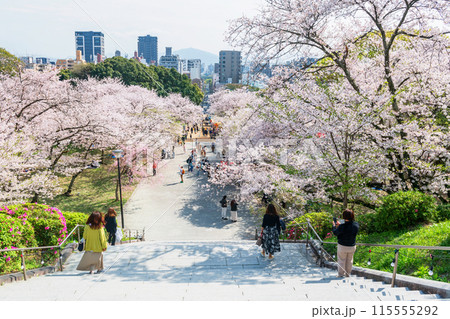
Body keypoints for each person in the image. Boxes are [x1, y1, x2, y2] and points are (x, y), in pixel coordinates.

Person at [332, 209, 359, 277]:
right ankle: (348, 274)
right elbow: (349, 228)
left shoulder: (342, 226)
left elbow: (335, 232)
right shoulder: (356, 225)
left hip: (342, 246)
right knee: (349, 260)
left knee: (341, 260)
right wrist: (340, 225)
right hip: (352, 246)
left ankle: (341, 274)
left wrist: (334, 226)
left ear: (344, 216)